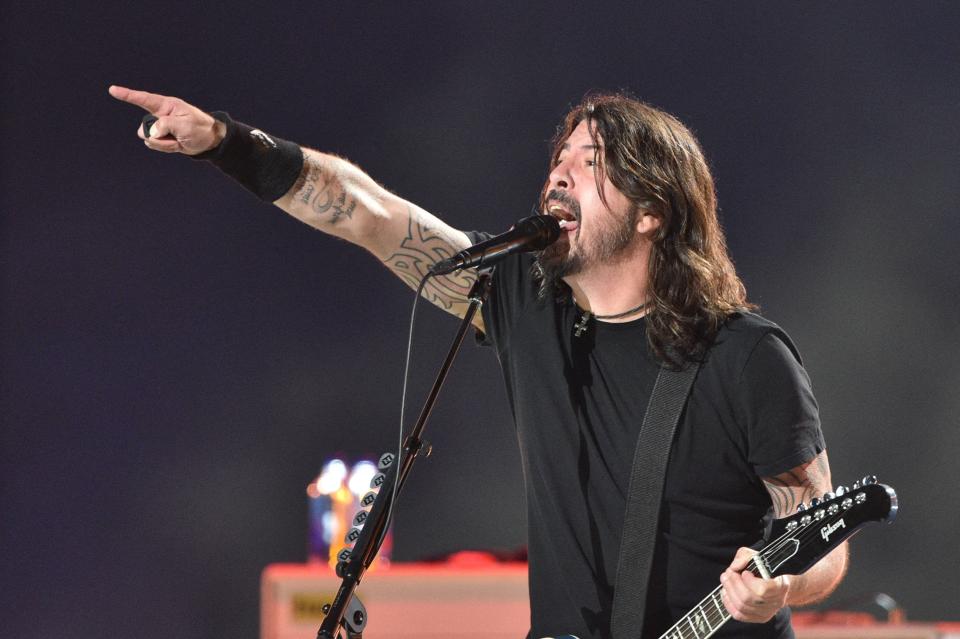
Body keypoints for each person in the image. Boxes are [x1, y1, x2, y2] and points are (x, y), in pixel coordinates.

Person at [109, 85, 848, 638]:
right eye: (557, 159)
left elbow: (822, 540)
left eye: (590, 164)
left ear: (652, 209)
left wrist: (779, 587)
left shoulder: (744, 354)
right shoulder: (519, 300)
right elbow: (366, 209)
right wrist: (226, 142)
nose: (559, 174)